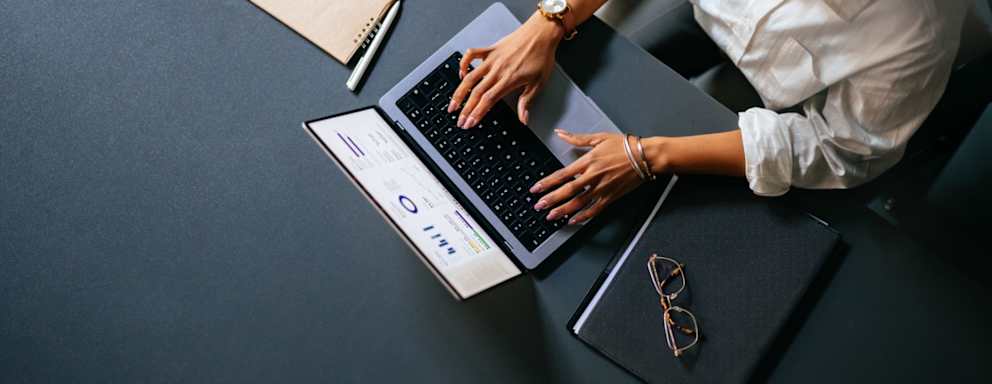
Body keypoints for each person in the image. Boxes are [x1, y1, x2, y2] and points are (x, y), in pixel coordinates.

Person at [447, 0, 968, 225]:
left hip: (784, 96)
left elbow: (842, 149)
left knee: (638, 206)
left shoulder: (919, 30)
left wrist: (649, 155)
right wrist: (550, 21)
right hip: (705, 12)